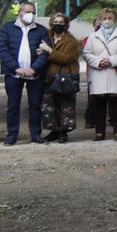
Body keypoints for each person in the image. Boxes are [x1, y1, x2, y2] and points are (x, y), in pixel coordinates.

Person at [0, 1, 50, 146]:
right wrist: (16, 68)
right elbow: (3, 50)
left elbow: (45, 53)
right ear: (20, 12)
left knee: (35, 105)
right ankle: (12, 135)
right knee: (13, 105)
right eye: (27, 12)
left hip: (35, 74)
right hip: (14, 74)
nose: (30, 15)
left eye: (33, 12)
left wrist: (34, 68)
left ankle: (36, 134)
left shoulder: (41, 30)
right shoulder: (7, 28)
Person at [75, 7, 117, 141]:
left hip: (116, 73)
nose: (107, 21)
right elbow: (87, 53)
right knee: (99, 104)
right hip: (98, 73)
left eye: (110, 18)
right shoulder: (92, 36)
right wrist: (98, 62)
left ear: (115, 19)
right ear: (100, 20)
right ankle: (99, 132)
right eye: (104, 18)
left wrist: (111, 61)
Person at [42, 12, 82, 143]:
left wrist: (49, 51)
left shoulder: (71, 41)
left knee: (66, 105)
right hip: (48, 76)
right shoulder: (46, 36)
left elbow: (66, 58)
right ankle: (54, 130)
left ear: (66, 25)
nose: (58, 25)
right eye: (55, 22)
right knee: (49, 105)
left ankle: (64, 131)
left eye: (61, 23)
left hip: (66, 76)